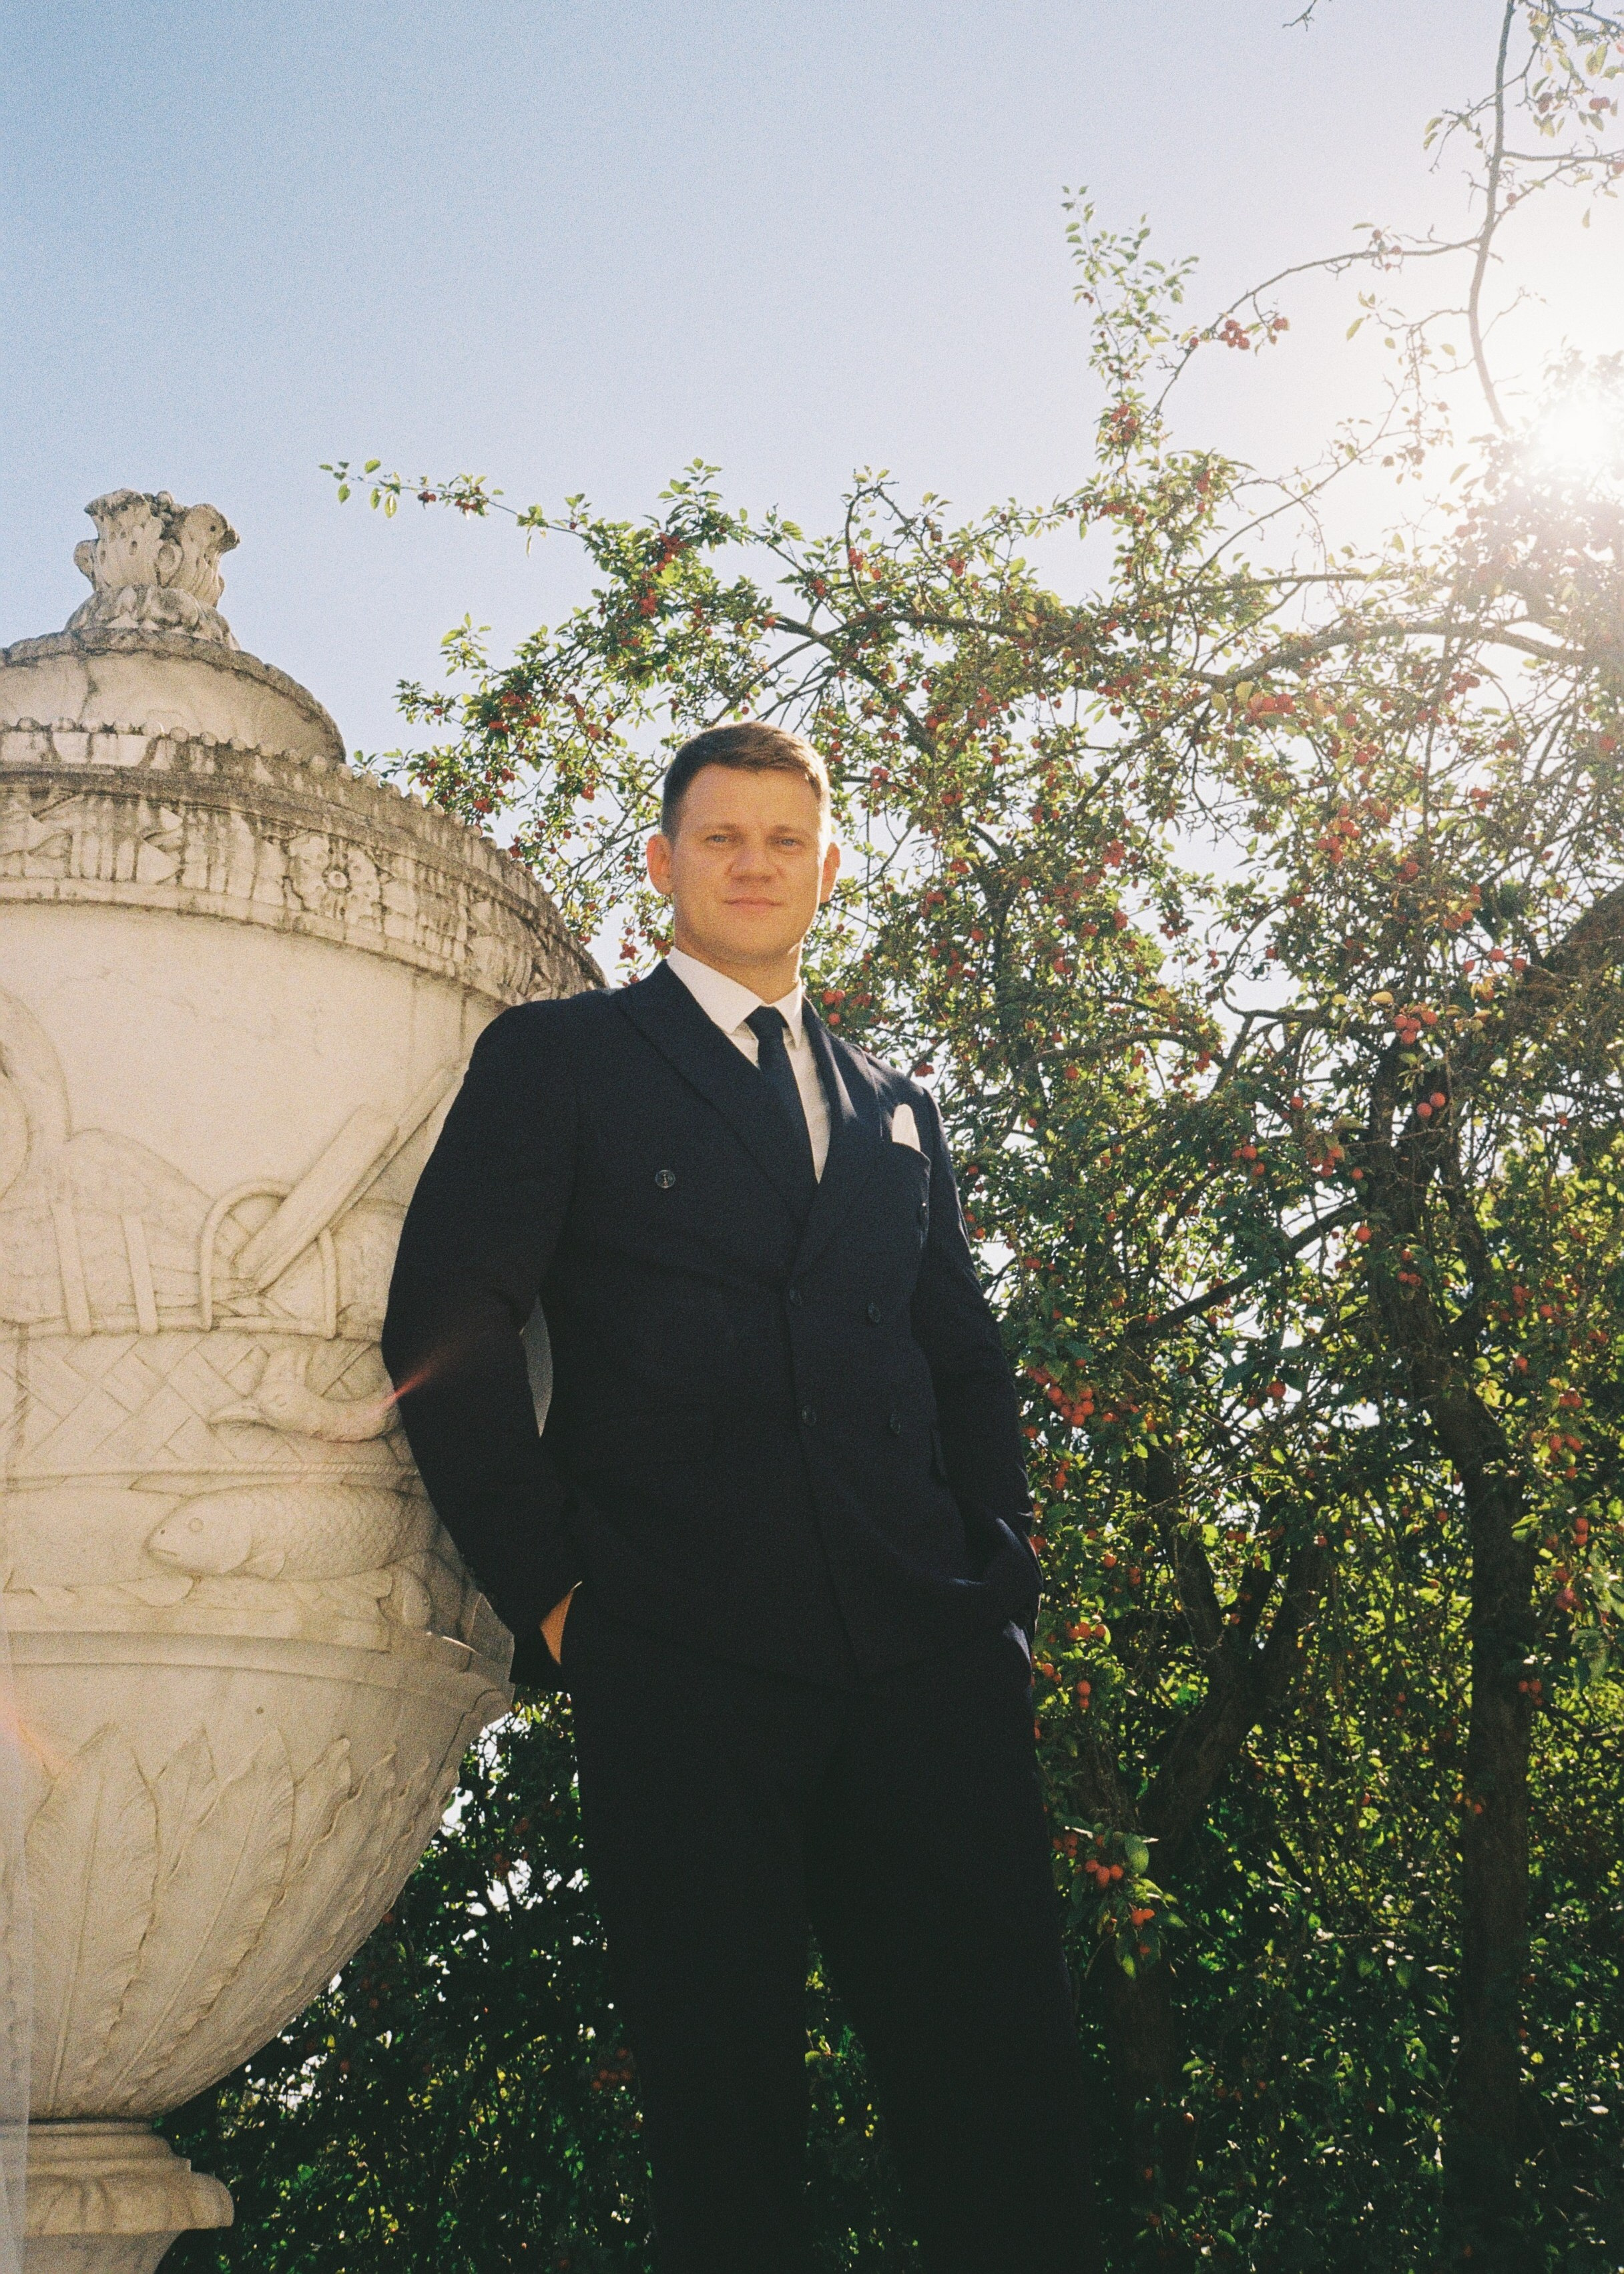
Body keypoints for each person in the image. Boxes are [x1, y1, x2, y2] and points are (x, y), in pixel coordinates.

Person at [381, 720, 1097, 2273]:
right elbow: (445, 1321)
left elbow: (962, 1364)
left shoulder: (895, 1104)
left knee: (1008, 2118)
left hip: (927, 1665)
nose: (755, 864)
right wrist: (561, 1606)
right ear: (662, 864)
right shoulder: (561, 1059)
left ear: (828, 868)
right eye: (721, 837)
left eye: (785, 839)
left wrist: (1002, 1596)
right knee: (728, 2140)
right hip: (682, 1659)